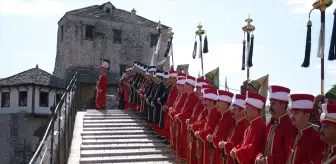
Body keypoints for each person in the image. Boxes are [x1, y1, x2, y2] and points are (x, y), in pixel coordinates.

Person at [255, 85, 297, 164]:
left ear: (283, 105)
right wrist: (259, 156)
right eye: (270, 103)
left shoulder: (289, 126)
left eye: (273, 104)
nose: (270, 107)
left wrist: (266, 160)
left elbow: (286, 154)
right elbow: (262, 144)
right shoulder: (271, 124)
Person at [286, 94, 325, 164]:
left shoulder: (316, 138)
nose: (292, 116)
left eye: (296, 113)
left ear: (307, 114)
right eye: (292, 113)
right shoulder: (295, 135)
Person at [230, 91, 267, 164]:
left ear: (254, 109)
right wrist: (236, 149)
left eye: (247, 108)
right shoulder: (251, 125)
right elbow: (244, 144)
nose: (244, 111)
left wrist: (238, 152)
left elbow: (253, 148)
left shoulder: (260, 126)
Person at [219, 94, 249, 164]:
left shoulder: (245, 125)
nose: (232, 112)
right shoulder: (236, 123)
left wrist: (226, 144)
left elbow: (241, 144)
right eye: (232, 109)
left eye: (234, 109)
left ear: (242, 111)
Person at [206, 89, 235, 164]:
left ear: (226, 104)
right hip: (217, 150)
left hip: (222, 152)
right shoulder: (223, 116)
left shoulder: (229, 117)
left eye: (219, 101)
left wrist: (213, 138)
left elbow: (225, 136)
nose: (217, 103)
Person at [194, 88, 221, 164]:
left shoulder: (215, 112)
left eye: (206, 101)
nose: (204, 103)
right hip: (206, 141)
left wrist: (200, 133)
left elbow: (211, 128)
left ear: (212, 101)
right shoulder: (209, 112)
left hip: (210, 144)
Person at [175, 75, 198, 162]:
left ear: (191, 86)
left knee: (186, 141)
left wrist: (180, 116)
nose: (185, 86)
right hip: (184, 122)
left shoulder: (193, 97)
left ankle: (185, 158)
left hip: (187, 122)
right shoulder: (189, 96)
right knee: (183, 140)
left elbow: (188, 111)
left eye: (187, 85)